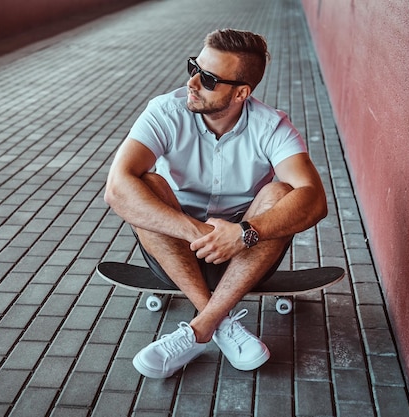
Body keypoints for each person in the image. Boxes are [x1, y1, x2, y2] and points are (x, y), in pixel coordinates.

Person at [104, 28, 327, 379]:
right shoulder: (165, 111)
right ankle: (217, 322)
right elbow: (116, 189)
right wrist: (204, 232)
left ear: (241, 92)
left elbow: (314, 199)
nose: (193, 82)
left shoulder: (272, 126)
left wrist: (245, 233)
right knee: (145, 184)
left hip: (246, 258)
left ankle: (199, 328)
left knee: (282, 193)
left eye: (208, 78)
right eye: (194, 67)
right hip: (176, 251)